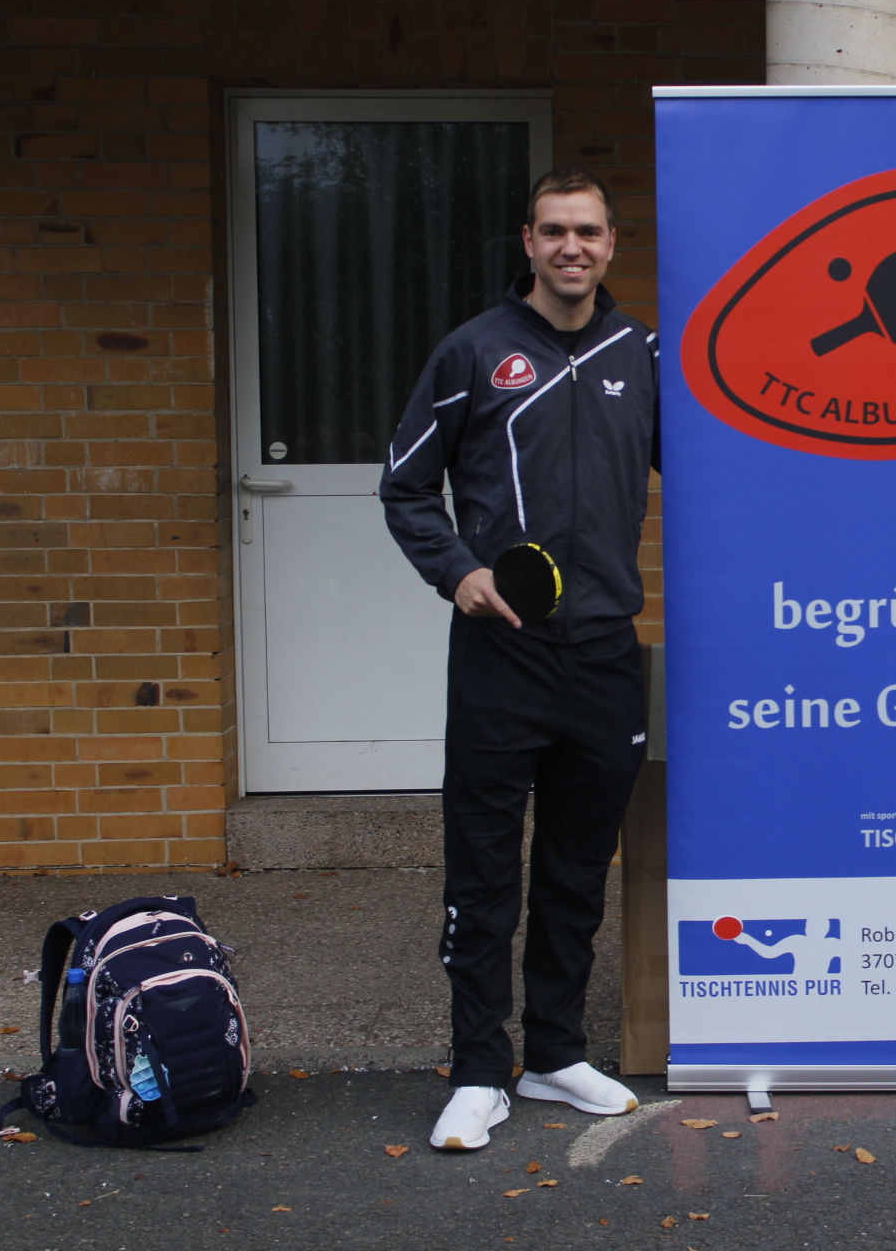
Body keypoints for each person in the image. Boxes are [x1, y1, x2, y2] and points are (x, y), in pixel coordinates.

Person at [381, 166, 658, 1150]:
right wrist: (457, 571)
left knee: (578, 872)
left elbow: (715, 472)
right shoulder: (473, 351)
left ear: (611, 243)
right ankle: (476, 1069)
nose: (570, 247)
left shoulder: (641, 354)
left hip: (606, 656)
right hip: (502, 654)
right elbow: (405, 484)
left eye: (588, 231)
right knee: (485, 873)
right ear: (529, 242)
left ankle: (554, 1053)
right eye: (553, 231)